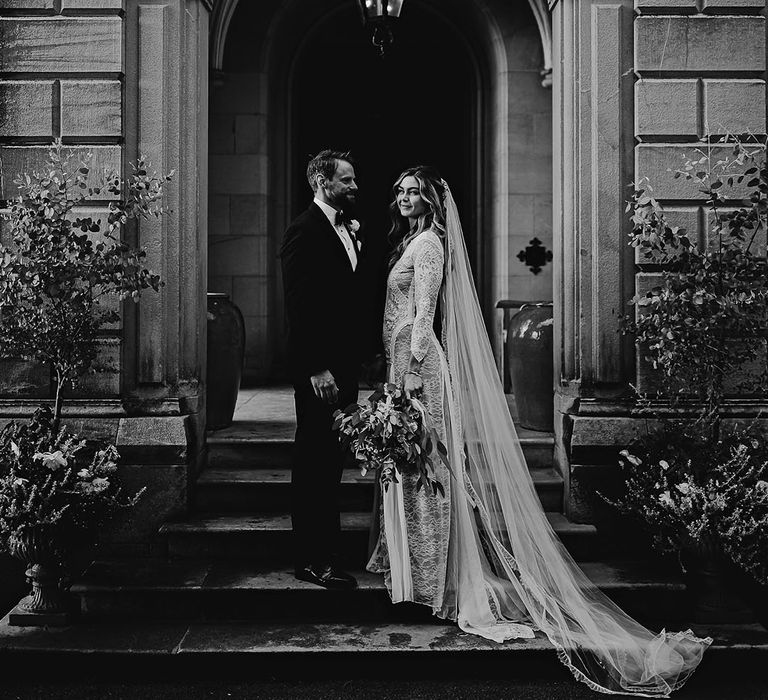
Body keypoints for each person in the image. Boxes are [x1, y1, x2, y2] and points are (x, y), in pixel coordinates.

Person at [367, 165, 712, 696]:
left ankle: (433, 573)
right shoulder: (412, 239)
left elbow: (423, 314)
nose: (406, 197)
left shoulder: (431, 244)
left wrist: (411, 370)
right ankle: (412, 563)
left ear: (433, 200)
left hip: (420, 369)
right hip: (399, 368)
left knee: (427, 465)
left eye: (416, 191)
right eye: (401, 191)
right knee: (411, 468)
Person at [280, 149, 381, 590]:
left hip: (344, 367)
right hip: (320, 372)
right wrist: (316, 368)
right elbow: (300, 307)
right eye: (347, 180)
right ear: (323, 183)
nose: (355, 187)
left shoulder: (348, 229)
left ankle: (329, 551)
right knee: (313, 461)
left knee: (332, 460)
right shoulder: (303, 231)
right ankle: (310, 559)